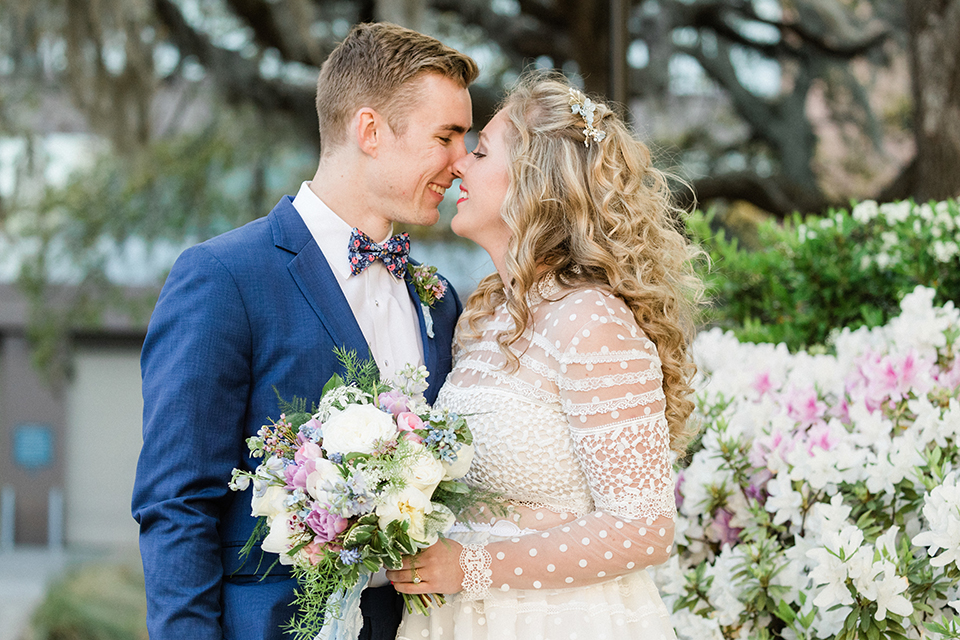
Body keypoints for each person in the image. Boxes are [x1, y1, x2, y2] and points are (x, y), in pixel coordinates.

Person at [131, 23, 477, 640]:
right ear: (370, 131)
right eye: (446, 137)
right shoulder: (224, 278)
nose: (461, 163)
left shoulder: (438, 298)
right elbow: (176, 505)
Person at [387, 72, 703, 639]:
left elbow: (644, 528)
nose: (458, 164)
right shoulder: (483, 319)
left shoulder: (592, 322)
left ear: (534, 182)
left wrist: (470, 566)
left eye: (480, 151)